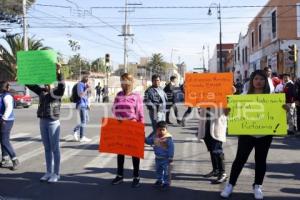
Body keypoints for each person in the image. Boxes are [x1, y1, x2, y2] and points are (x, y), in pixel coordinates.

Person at [221, 70, 273, 199]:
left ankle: (258, 186)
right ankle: (230, 185)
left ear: (265, 81)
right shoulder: (244, 95)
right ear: (251, 81)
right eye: (256, 79)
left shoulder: (273, 97)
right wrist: (227, 110)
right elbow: (229, 114)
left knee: (261, 160)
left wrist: (285, 109)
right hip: (247, 133)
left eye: (261, 79)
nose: (258, 81)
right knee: (240, 160)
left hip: (265, 134)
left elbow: (279, 115)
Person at [26, 64, 65, 183]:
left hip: (53, 122)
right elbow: (31, 85)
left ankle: (56, 174)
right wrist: (21, 75)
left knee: (55, 149)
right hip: (42, 121)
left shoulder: (57, 92)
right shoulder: (42, 91)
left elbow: (62, 86)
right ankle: (48, 172)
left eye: (49, 83)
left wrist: (59, 72)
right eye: (46, 83)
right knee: (47, 148)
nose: (47, 85)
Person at [111, 73, 144, 188]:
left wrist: (141, 130)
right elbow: (114, 109)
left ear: (130, 83)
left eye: (124, 81)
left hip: (133, 127)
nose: (122, 84)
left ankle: (136, 177)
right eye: (121, 81)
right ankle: (120, 175)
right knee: (120, 153)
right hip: (121, 127)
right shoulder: (118, 95)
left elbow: (140, 114)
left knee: (135, 153)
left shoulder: (136, 97)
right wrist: (117, 117)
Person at [197, 107, 229, 184]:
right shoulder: (205, 97)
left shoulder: (222, 97)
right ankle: (216, 170)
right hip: (206, 127)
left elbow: (227, 112)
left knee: (217, 151)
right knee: (212, 150)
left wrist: (226, 108)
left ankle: (223, 173)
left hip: (217, 127)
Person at [145, 121, 174, 190]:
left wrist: (170, 157)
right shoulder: (155, 137)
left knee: (166, 171)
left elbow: (171, 148)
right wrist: (144, 138)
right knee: (158, 170)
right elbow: (149, 142)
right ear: (156, 130)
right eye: (159, 130)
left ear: (166, 130)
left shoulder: (168, 139)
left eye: (163, 130)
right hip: (157, 158)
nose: (161, 131)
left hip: (166, 159)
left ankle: (166, 183)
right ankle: (159, 180)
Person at [0, 81, 19, 170]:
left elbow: (9, 108)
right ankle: (4, 158)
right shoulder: (1, 95)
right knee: (2, 139)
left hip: (6, 121)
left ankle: (15, 160)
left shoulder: (7, 96)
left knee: (4, 141)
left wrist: (4, 119)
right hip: (3, 120)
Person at [73, 75, 91, 142]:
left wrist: (88, 105)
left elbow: (86, 96)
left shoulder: (83, 84)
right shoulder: (80, 84)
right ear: (84, 79)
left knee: (86, 120)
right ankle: (81, 136)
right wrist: (86, 89)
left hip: (84, 105)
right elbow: (80, 95)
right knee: (84, 121)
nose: (88, 80)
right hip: (81, 105)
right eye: (87, 78)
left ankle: (78, 132)